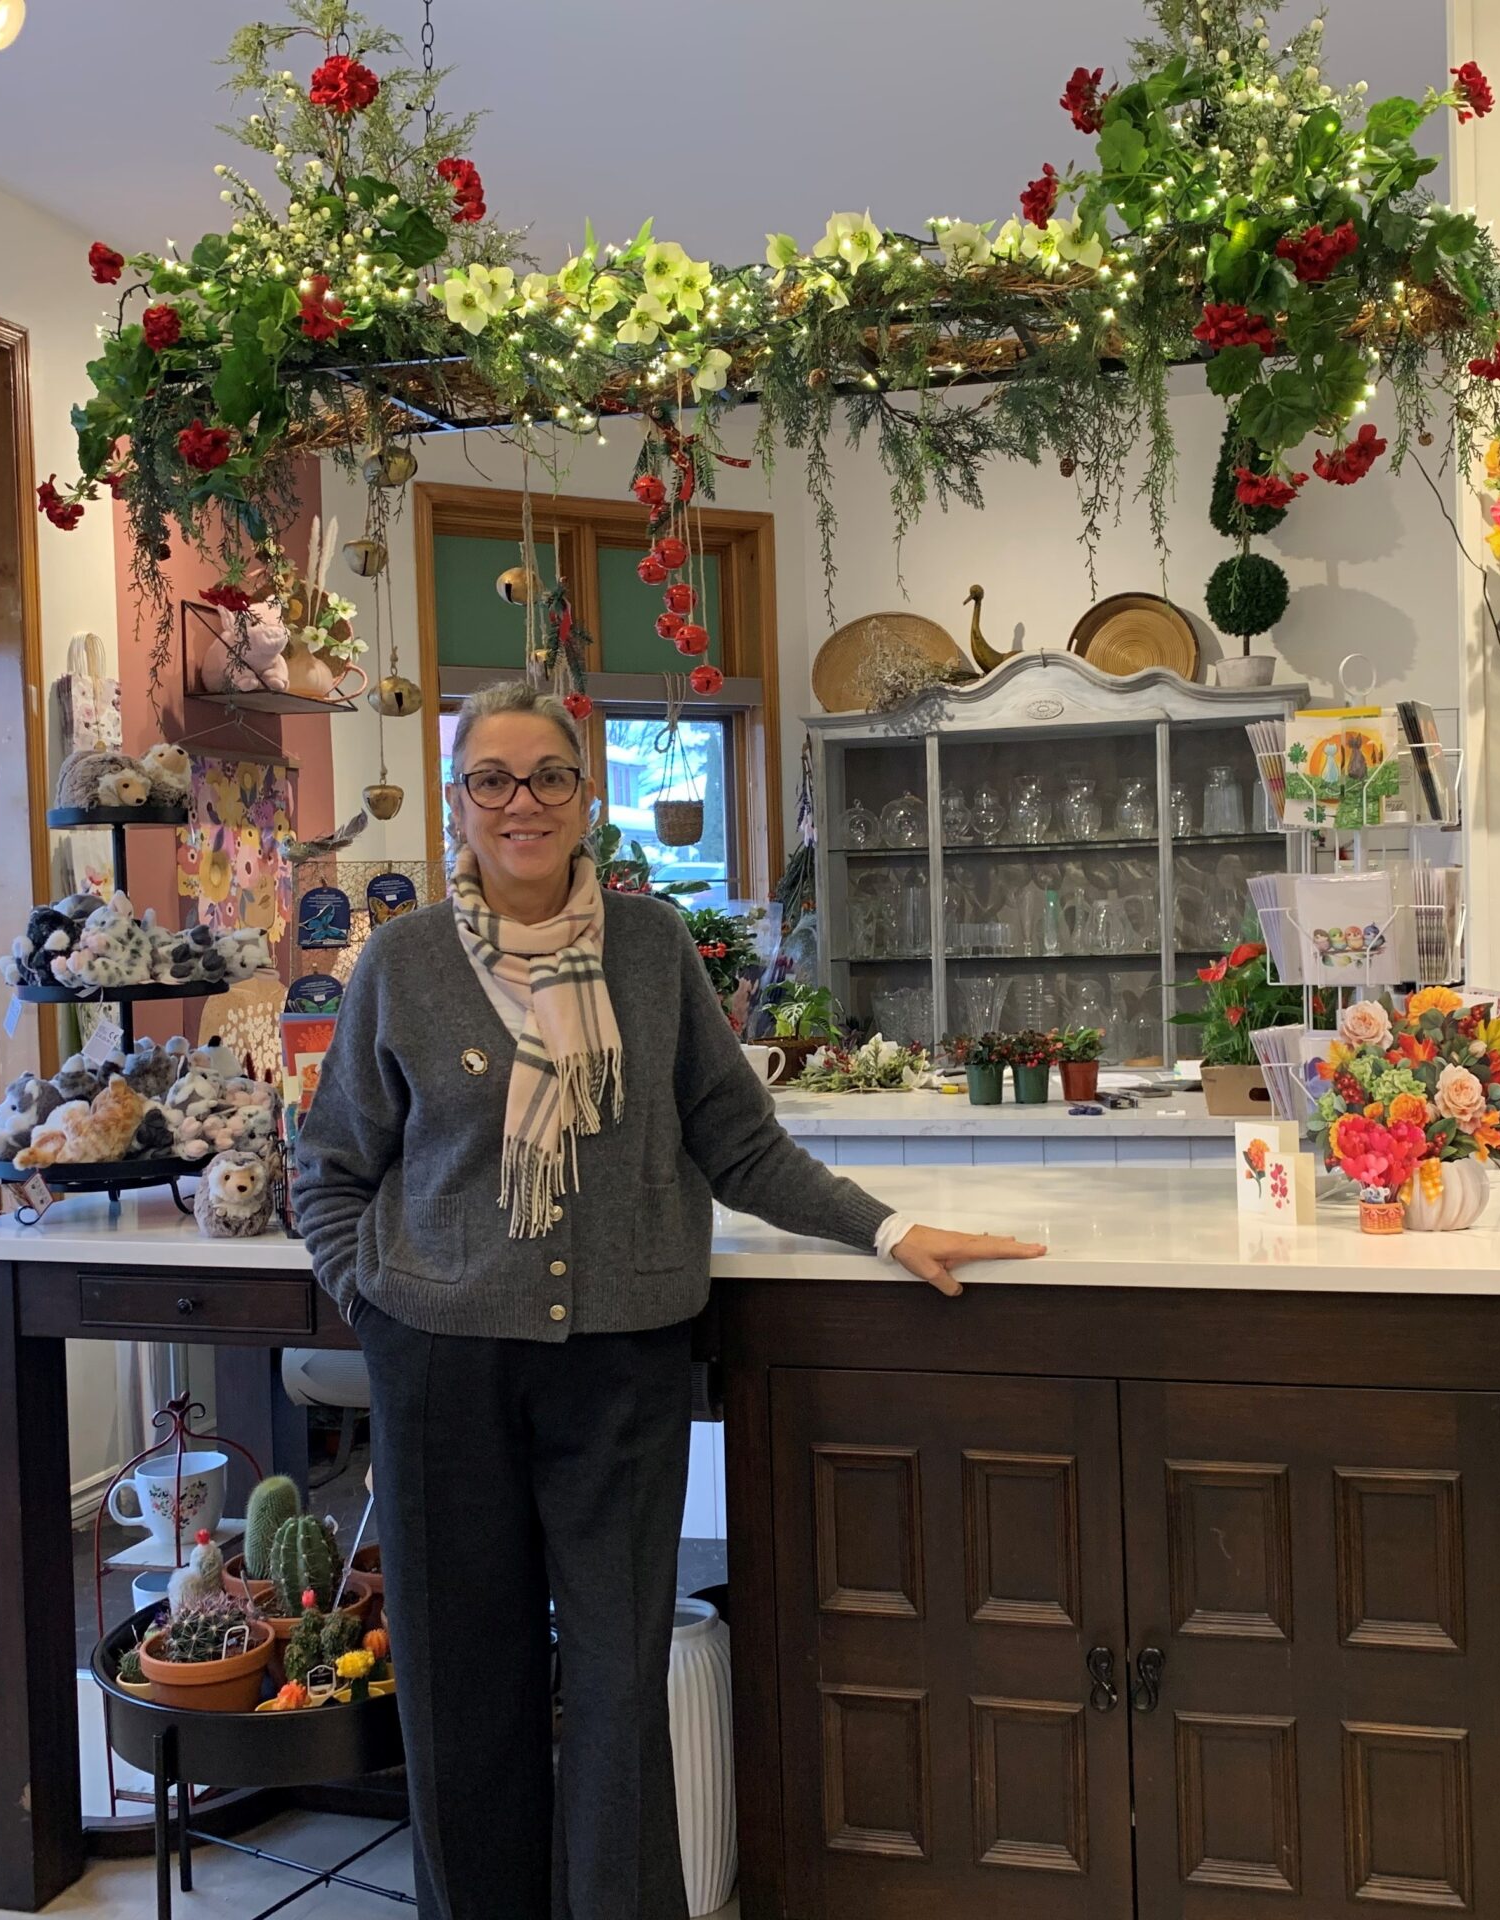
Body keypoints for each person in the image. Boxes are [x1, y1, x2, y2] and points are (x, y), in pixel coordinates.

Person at [293, 679, 1044, 1919]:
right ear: (458, 803)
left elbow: (737, 1144)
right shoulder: (403, 961)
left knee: (615, 1680)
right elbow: (329, 1170)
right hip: (440, 1363)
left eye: (547, 777)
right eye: (493, 779)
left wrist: (890, 1228)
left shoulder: (648, 950)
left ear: (587, 796)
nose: (521, 803)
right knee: (457, 1684)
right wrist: (374, 1305)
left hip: (622, 1364)